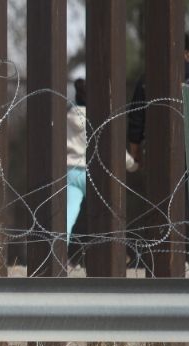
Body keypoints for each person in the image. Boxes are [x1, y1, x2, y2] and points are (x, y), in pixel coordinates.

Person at [67, 79, 138, 240]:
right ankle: (111, 250)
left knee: (67, 217)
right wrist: (132, 165)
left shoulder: (66, 117)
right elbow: (116, 149)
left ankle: (58, 252)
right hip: (96, 173)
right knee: (108, 217)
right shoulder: (99, 120)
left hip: (70, 172)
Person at [126, 33, 189, 163]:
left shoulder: (148, 77)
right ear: (187, 53)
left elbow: (136, 118)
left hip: (157, 150)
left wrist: (135, 153)